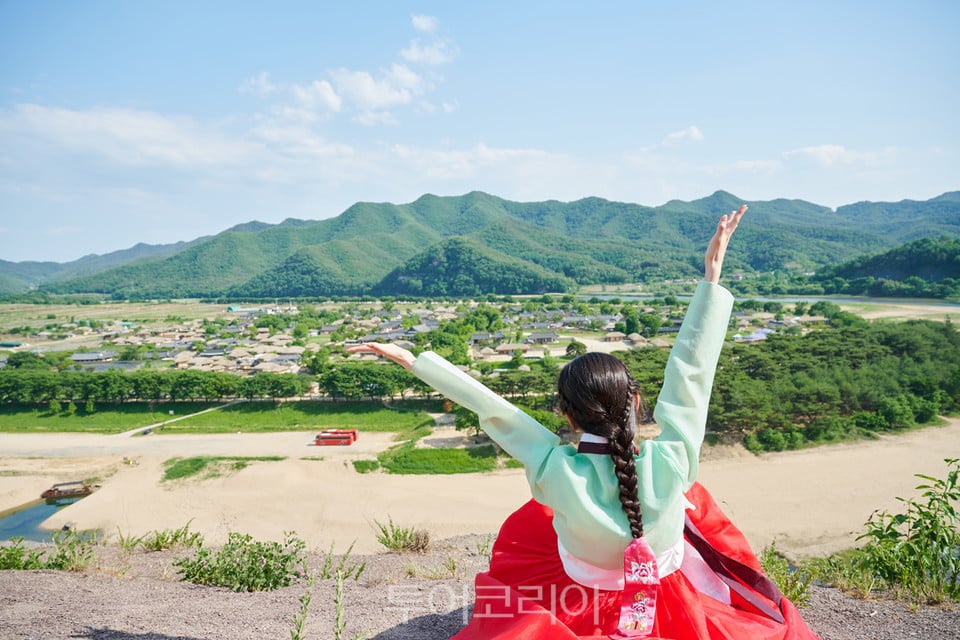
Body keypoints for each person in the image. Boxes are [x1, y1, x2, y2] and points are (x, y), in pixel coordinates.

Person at [349, 206, 821, 640]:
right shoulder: (672, 459)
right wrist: (711, 280)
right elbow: (691, 375)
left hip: (578, 591)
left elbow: (497, 410)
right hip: (668, 586)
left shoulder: (556, 470)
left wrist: (415, 361)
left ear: (565, 413)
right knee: (692, 497)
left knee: (539, 519)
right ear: (636, 400)